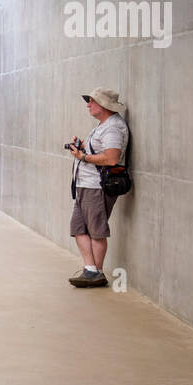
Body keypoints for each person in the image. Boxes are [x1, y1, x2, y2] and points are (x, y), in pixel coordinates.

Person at [66, 87, 129, 288]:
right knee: (78, 228)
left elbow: (111, 158)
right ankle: (91, 270)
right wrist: (85, 149)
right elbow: (103, 152)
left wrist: (83, 156)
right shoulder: (103, 125)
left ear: (103, 105)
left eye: (92, 101)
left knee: (96, 231)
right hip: (86, 185)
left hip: (97, 186)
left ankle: (96, 272)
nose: (88, 104)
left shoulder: (112, 128)